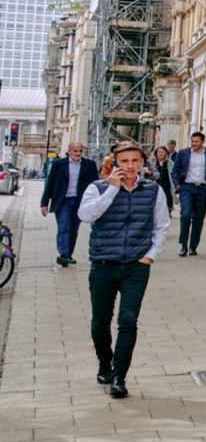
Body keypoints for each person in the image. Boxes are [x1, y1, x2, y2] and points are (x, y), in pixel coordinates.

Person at [76, 140, 170, 399]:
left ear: (142, 163)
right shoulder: (97, 188)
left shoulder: (153, 190)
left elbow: (161, 225)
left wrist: (150, 256)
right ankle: (104, 363)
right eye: (125, 161)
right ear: (115, 163)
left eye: (135, 161)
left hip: (135, 267)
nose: (130, 166)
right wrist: (112, 190)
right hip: (103, 264)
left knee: (127, 321)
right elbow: (85, 215)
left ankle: (119, 375)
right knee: (100, 322)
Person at [39, 141, 98, 268]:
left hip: (80, 202)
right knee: (64, 226)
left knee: (73, 229)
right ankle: (64, 255)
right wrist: (44, 203)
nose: (78, 153)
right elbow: (50, 183)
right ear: (69, 151)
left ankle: (68, 255)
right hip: (63, 201)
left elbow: (95, 184)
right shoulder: (58, 165)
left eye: (80, 151)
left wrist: (96, 202)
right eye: (75, 151)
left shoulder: (90, 165)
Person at [170, 131, 206, 256]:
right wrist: (178, 185)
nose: (194, 144)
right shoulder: (183, 153)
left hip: (203, 188)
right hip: (187, 187)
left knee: (198, 218)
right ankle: (183, 245)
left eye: (196, 142)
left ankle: (193, 246)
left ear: (202, 142)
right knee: (186, 214)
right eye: (192, 141)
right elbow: (174, 171)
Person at [151, 146, 178, 214]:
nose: (161, 154)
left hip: (167, 184)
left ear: (166, 153)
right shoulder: (151, 162)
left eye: (163, 152)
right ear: (156, 153)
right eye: (159, 152)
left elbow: (174, 173)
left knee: (168, 199)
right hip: (155, 184)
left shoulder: (170, 163)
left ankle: (168, 212)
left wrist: (176, 183)